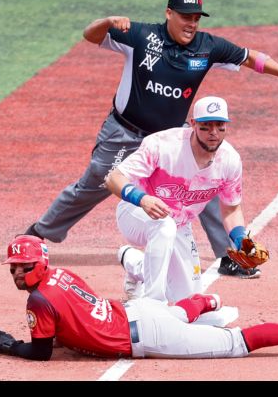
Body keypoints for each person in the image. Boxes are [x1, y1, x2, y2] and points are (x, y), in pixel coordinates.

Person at [23, 0, 278, 279]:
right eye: (185, 16)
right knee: (98, 181)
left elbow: (249, 57)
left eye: (196, 18)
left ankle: (229, 256)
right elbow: (90, 35)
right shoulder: (142, 36)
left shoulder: (207, 46)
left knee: (203, 183)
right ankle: (37, 234)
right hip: (125, 131)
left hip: (172, 137)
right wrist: (107, 21)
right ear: (168, 13)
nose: (191, 23)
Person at [0, 235, 278, 362]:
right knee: (175, 313)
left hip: (149, 334)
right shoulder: (60, 275)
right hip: (140, 311)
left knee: (239, 343)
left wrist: (7, 346)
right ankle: (204, 303)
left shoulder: (38, 302)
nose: (16, 272)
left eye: (22, 266)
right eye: (12, 267)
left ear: (38, 264)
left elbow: (41, 353)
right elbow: (77, 312)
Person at [105, 95, 257, 303]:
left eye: (220, 126)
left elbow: (231, 210)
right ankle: (152, 304)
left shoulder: (229, 161)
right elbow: (113, 178)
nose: (213, 132)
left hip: (180, 225)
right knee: (164, 226)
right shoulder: (163, 145)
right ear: (193, 124)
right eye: (206, 126)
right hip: (136, 213)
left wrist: (241, 240)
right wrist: (142, 199)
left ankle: (134, 264)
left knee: (188, 299)